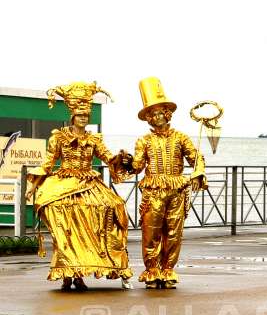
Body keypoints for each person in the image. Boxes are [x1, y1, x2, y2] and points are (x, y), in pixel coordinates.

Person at [25, 81, 133, 291]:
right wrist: (33, 185)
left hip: (88, 183)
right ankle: (68, 272)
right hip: (64, 183)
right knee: (64, 225)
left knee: (114, 207)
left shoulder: (94, 139)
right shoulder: (59, 137)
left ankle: (88, 268)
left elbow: (107, 158)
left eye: (86, 115)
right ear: (72, 116)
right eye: (79, 115)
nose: (83, 118)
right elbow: (48, 163)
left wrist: (122, 159)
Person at [121, 77, 206, 289]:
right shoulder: (144, 140)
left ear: (167, 114)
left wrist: (198, 172)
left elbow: (196, 158)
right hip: (153, 191)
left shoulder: (181, 138)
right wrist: (127, 162)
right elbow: (138, 166)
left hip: (177, 190)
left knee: (174, 233)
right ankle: (152, 270)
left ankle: (168, 269)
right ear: (149, 118)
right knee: (151, 233)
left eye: (161, 113)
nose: (158, 117)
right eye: (153, 114)